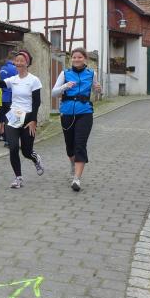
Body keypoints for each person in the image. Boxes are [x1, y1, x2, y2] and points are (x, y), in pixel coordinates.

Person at [0, 50, 44, 189]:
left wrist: (33, 120)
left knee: (26, 151)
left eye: (21, 60)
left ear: (27, 63)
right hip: (14, 116)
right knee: (13, 147)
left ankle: (35, 158)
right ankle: (18, 178)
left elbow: (36, 102)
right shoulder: (13, 80)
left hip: (28, 117)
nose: (18, 63)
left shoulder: (34, 80)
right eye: (16, 60)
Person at [51, 48, 101, 191]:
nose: (76, 59)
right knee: (70, 146)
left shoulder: (92, 73)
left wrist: (98, 89)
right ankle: (73, 164)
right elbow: (54, 93)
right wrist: (65, 86)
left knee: (80, 144)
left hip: (85, 112)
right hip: (67, 113)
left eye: (80, 57)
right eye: (74, 57)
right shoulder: (65, 73)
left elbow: (97, 90)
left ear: (85, 59)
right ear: (71, 59)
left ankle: (77, 179)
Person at [0, 51, 18, 146]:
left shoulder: (2, 68)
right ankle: (9, 141)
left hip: (4, 97)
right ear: (14, 59)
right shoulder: (14, 69)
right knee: (12, 120)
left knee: (5, 119)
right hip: (11, 97)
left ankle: (6, 139)